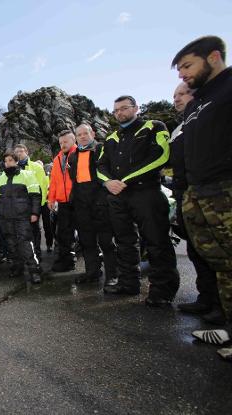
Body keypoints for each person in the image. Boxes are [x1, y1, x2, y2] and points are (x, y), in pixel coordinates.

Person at [171, 36, 232, 358]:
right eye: (179, 70)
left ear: (214, 56)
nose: (182, 74)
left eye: (187, 66)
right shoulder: (198, 104)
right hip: (199, 193)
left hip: (225, 191)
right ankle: (226, 328)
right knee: (220, 263)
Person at [97, 95, 179, 306]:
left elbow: (161, 156)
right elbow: (101, 166)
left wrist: (125, 180)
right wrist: (108, 183)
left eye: (124, 108)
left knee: (156, 240)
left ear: (136, 108)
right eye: (116, 110)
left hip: (146, 193)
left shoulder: (154, 126)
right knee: (124, 242)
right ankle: (128, 282)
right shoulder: (111, 137)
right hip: (117, 196)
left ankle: (162, 290)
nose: (120, 113)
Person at [168, 82, 222, 323]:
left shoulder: (208, 115)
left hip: (211, 192)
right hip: (184, 194)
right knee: (196, 248)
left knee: (217, 251)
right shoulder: (179, 128)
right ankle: (206, 298)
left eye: (182, 94)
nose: (177, 99)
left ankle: (221, 306)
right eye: (174, 95)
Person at [67, 124, 118, 286]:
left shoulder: (101, 149)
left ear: (92, 134)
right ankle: (92, 272)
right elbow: (73, 179)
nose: (82, 136)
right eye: (79, 134)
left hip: (100, 203)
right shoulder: (73, 156)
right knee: (87, 241)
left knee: (107, 241)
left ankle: (113, 275)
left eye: (85, 133)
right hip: (82, 205)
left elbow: (109, 174)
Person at [0, 150, 43, 283]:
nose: (7, 163)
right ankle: (17, 267)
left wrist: (34, 213)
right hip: (6, 218)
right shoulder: (1, 177)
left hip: (22, 217)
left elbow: (36, 195)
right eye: (5, 161)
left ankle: (34, 270)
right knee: (11, 244)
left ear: (16, 161)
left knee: (25, 243)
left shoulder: (27, 175)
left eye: (10, 160)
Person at [47, 131, 77, 272]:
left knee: (87, 234)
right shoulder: (57, 159)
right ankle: (67, 262)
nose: (62, 145)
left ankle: (94, 267)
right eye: (60, 143)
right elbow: (53, 182)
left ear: (73, 140)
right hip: (63, 203)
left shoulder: (79, 153)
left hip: (78, 200)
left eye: (65, 142)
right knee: (64, 235)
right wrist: (51, 199)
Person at [15, 143, 49, 257]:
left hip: (35, 203)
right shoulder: (14, 169)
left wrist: (41, 204)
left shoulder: (36, 166)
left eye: (21, 151)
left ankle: (37, 251)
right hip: (21, 205)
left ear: (26, 152)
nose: (18, 154)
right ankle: (26, 252)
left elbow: (43, 186)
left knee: (35, 228)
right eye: (16, 152)